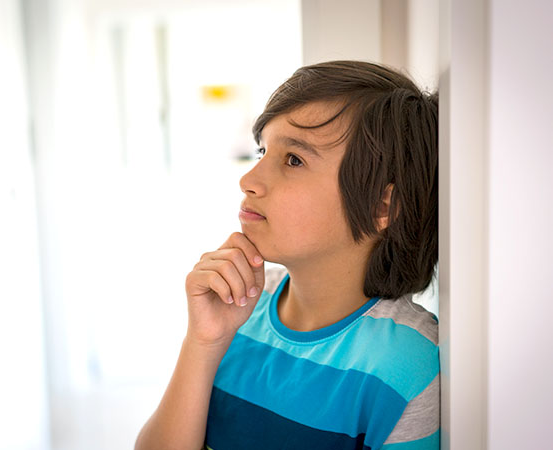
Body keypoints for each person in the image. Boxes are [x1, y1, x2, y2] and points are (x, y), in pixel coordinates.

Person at [135, 60, 439, 450]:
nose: (249, 180)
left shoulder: (407, 367)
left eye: (293, 159)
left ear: (384, 206)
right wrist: (204, 341)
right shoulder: (240, 306)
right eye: (263, 150)